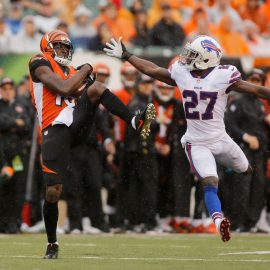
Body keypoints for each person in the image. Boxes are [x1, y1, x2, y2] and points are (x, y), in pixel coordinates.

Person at [104, 34, 270, 242]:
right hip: (196, 142)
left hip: (221, 138)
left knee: (246, 170)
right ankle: (219, 221)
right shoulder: (182, 73)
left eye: (193, 54)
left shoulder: (223, 75)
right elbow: (153, 70)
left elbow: (255, 89)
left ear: (207, 58)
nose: (186, 57)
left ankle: (232, 177)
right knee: (210, 182)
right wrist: (127, 55)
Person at [28, 29, 156, 259]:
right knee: (53, 192)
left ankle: (135, 121)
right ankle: (52, 243)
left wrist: (86, 80)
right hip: (54, 129)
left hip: (75, 125)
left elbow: (75, 92)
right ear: (47, 47)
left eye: (67, 48)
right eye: (59, 47)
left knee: (96, 88)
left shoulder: (68, 70)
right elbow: (64, 88)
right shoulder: (38, 62)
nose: (64, 52)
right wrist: (86, 69)